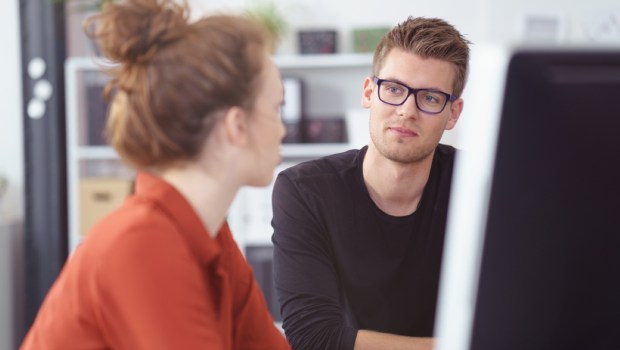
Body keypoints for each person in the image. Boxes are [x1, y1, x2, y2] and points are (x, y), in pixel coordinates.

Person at [20, 0, 290, 349]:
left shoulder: (211, 236)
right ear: (236, 126)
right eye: (275, 108)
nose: (284, 130)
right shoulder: (141, 242)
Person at [271, 16, 471, 350]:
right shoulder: (305, 191)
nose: (407, 110)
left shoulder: (479, 185)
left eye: (431, 98)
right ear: (369, 92)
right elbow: (313, 338)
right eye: (394, 90)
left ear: (453, 113)